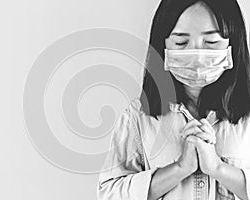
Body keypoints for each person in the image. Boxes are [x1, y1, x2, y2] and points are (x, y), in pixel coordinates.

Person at [97, 0, 250, 199]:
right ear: (163, 46)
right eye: (181, 43)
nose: (196, 56)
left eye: (211, 42)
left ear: (233, 44)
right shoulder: (137, 116)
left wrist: (218, 168)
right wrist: (179, 168)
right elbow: (109, 193)